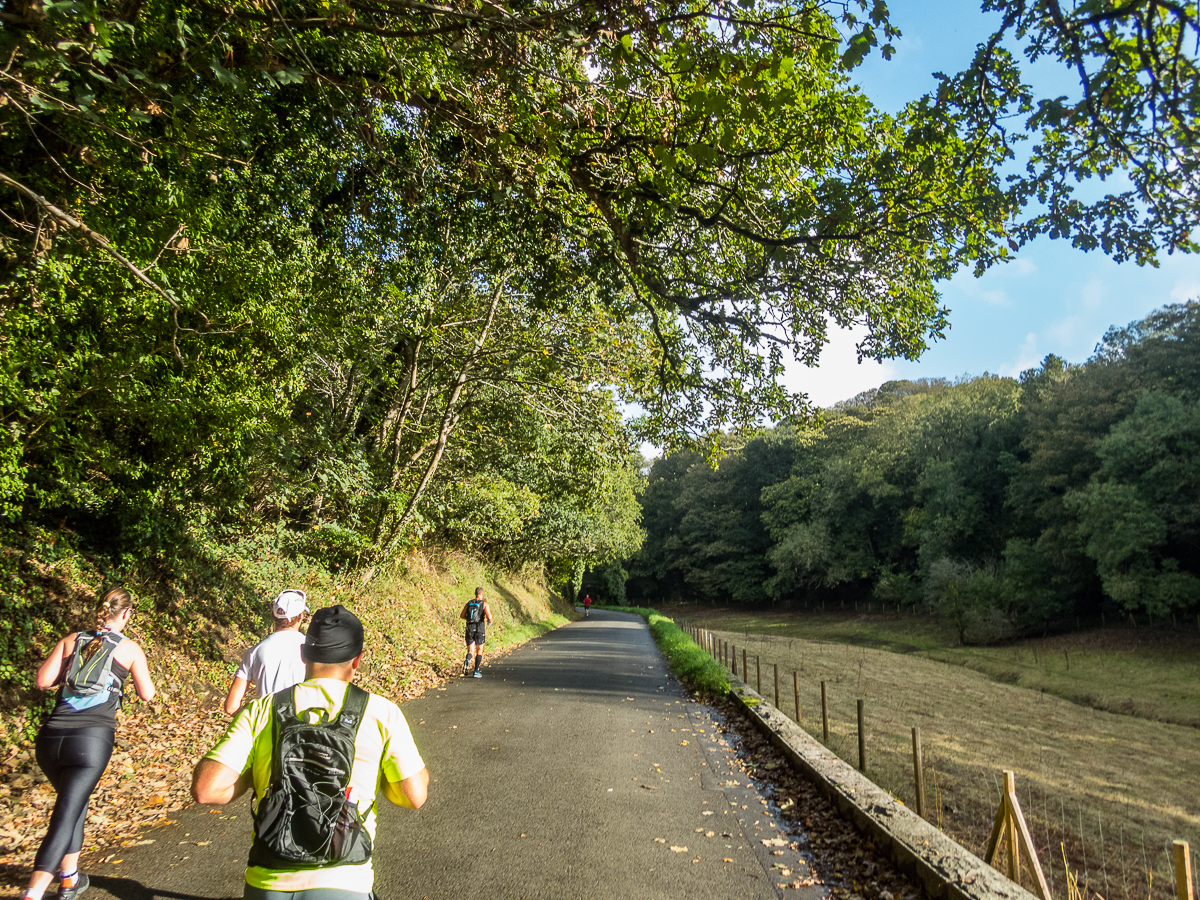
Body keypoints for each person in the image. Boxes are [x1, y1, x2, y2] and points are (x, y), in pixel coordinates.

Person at [192, 604, 428, 899]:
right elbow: (413, 796)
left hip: (267, 880)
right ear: (358, 660)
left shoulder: (262, 710)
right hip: (344, 879)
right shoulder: (381, 713)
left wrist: (266, 771)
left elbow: (206, 790)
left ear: (303, 653)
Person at [23, 587, 156, 900]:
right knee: (66, 813)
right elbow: (147, 694)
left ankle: (69, 879)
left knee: (74, 803)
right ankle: (34, 892)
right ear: (126, 614)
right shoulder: (130, 648)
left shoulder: (71, 640)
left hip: (51, 739)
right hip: (90, 741)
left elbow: (43, 681)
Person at [224, 589, 309, 715]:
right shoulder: (312, 649)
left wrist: (252, 723)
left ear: (273, 616)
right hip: (297, 728)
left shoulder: (254, 652)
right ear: (301, 616)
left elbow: (231, 707)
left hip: (262, 728)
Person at [459, 587, 493, 678]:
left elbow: (462, 615)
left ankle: (467, 660)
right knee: (479, 650)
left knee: (470, 650)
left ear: (475, 594)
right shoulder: (484, 604)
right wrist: (490, 622)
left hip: (469, 627)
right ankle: (476, 671)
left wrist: (470, 619)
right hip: (479, 628)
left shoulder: (469, 603)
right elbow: (489, 617)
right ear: (482, 594)